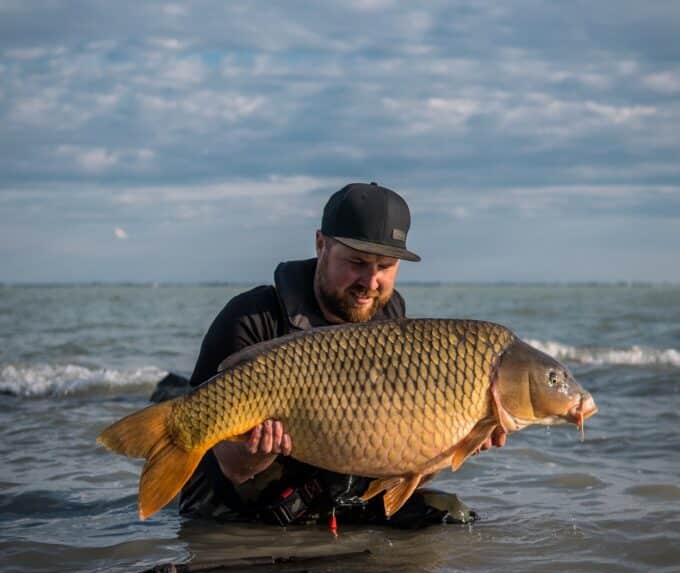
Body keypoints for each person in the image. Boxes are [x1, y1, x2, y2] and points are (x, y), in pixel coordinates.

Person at [178, 182, 505, 528]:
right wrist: (250, 457)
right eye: (357, 262)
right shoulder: (254, 318)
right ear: (321, 245)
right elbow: (215, 468)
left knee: (453, 519)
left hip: (338, 508)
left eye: (386, 266)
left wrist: (455, 445)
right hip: (244, 516)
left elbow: (393, 459)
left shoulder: (395, 330)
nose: (371, 281)